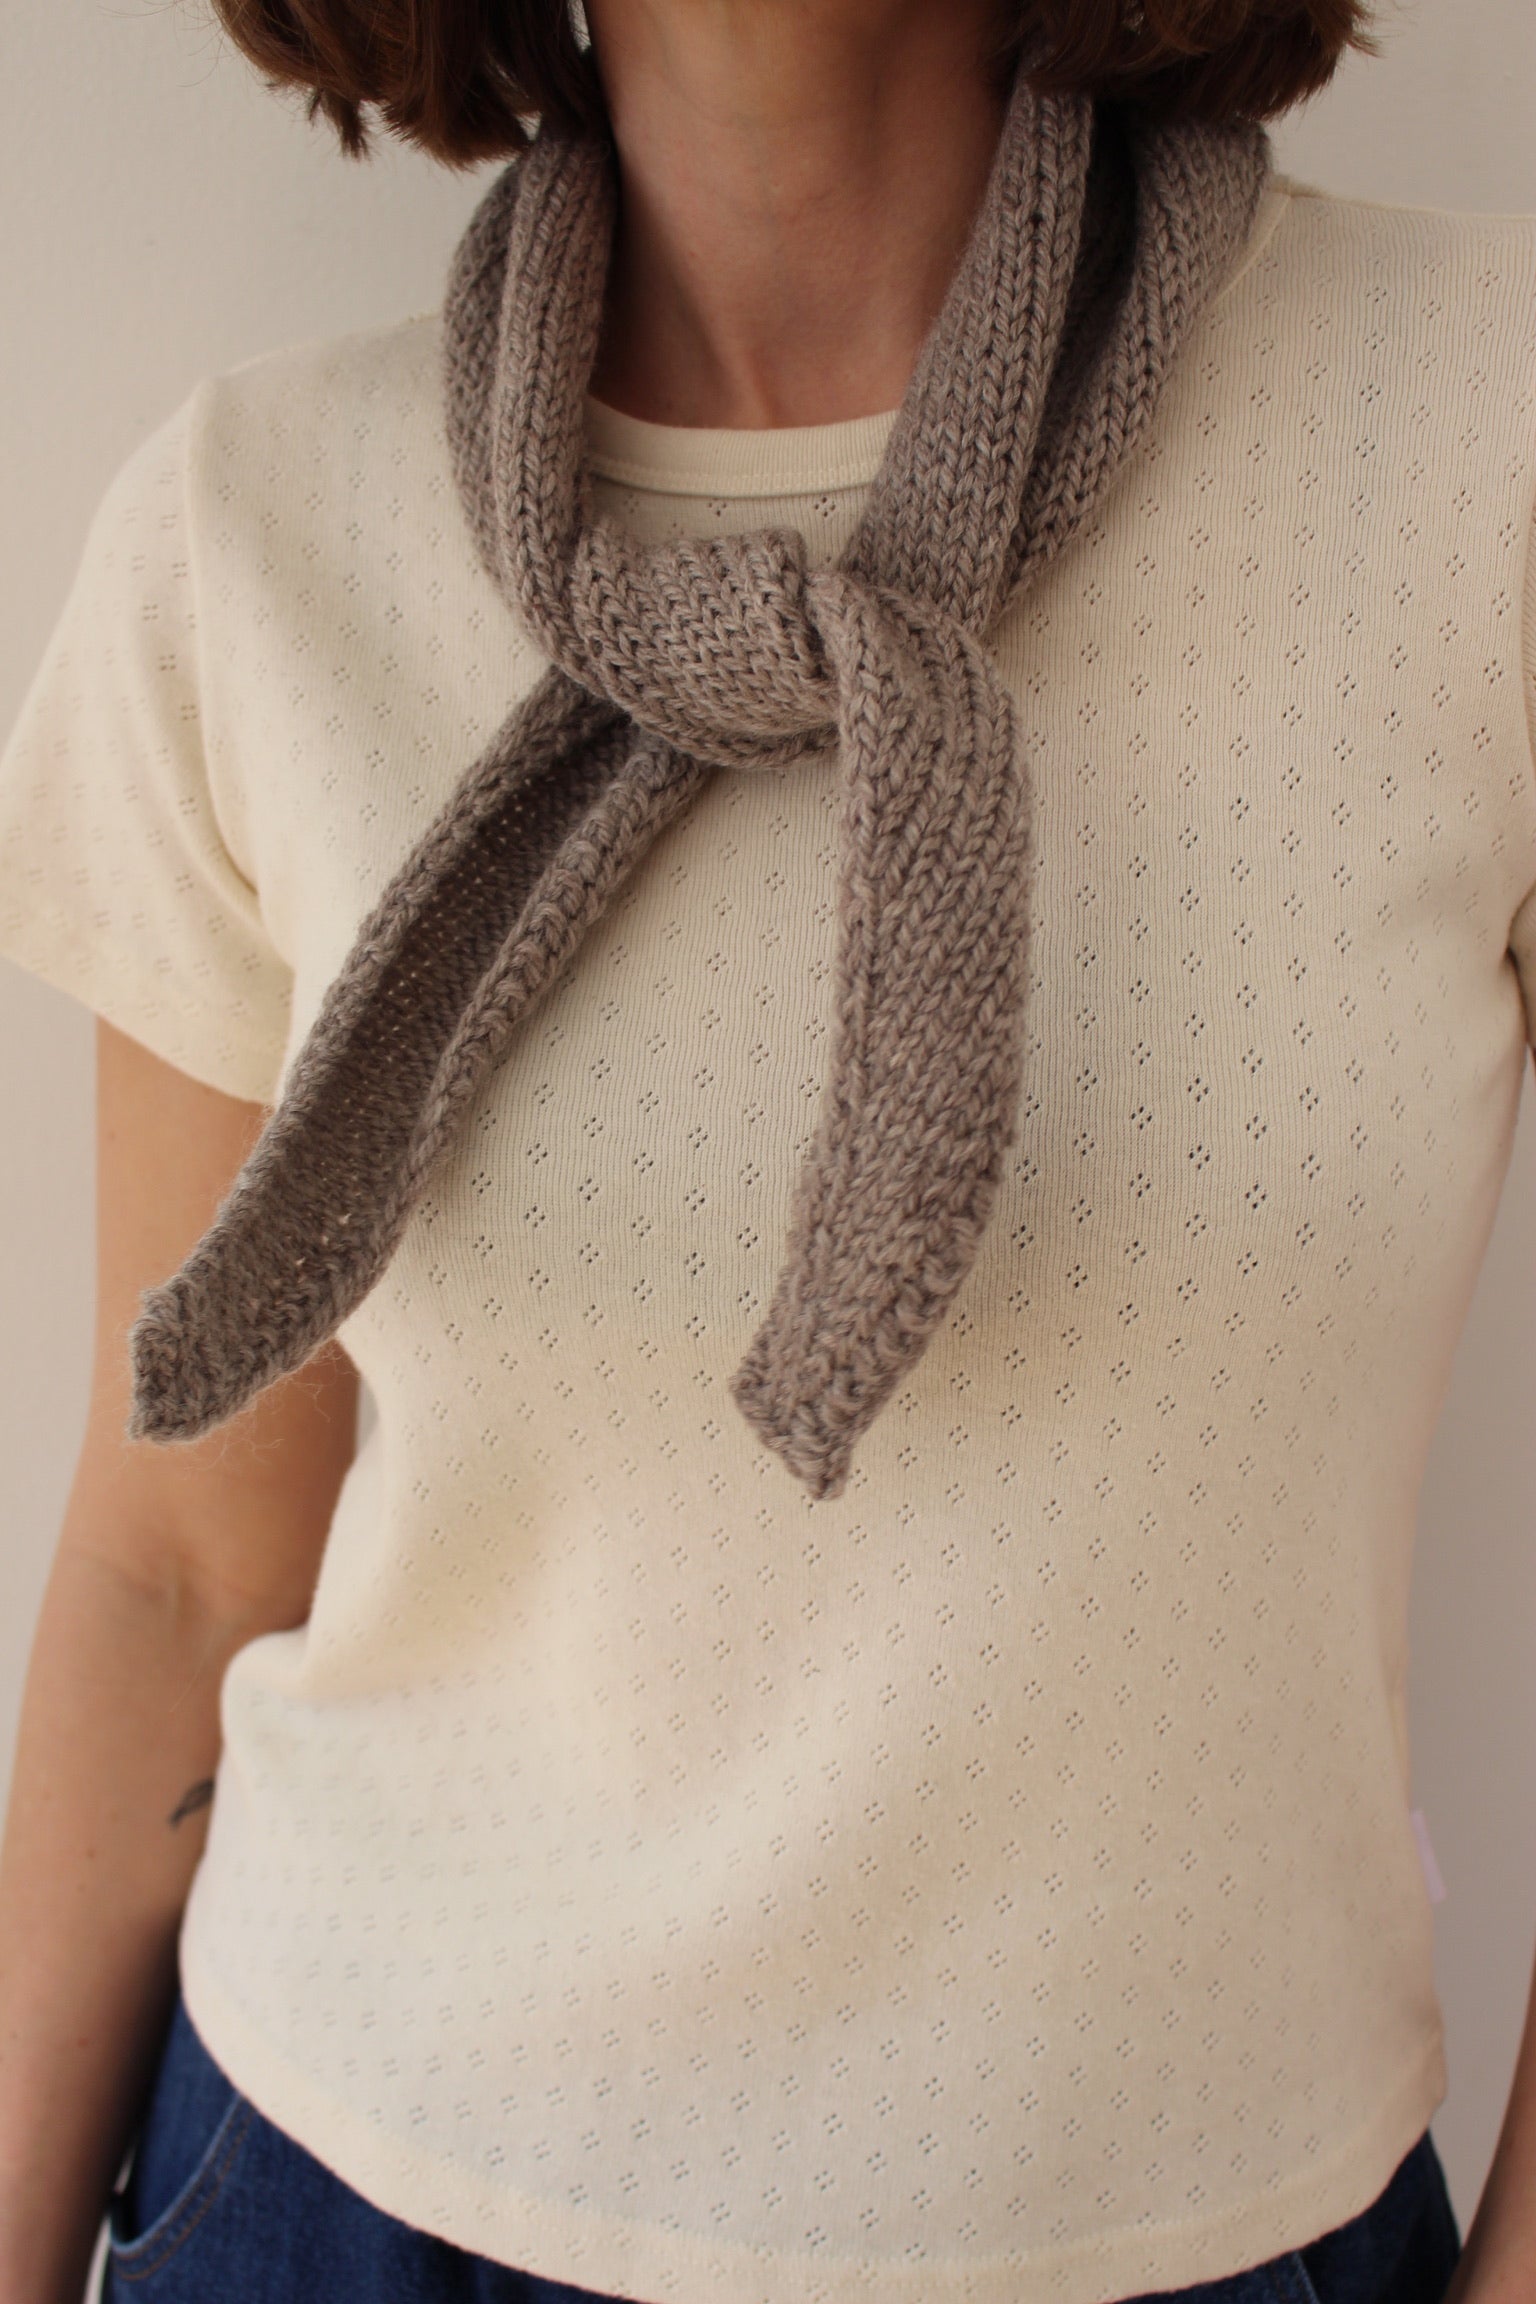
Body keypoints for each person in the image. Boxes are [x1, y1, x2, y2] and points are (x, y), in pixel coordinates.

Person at [0, 0, 1532, 2300]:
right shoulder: (252, 530)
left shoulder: (1478, 434)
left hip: (1200, 2233)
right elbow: (182, 1567)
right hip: (335, 2195)